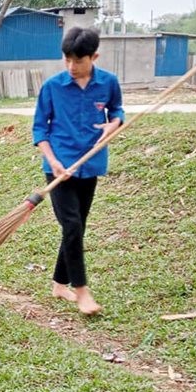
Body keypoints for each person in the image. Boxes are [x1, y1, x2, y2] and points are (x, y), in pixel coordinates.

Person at [32, 26, 123, 316]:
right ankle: (82, 291)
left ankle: (59, 285)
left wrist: (113, 124)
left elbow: (117, 110)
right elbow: (39, 129)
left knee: (77, 227)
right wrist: (53, 161)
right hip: (59, 167)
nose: (72, 66)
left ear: (94, 57)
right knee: (71, 226)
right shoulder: (52, 87)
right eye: (67, 59)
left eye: (78, 60)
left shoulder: (108, 83)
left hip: (90, 165)